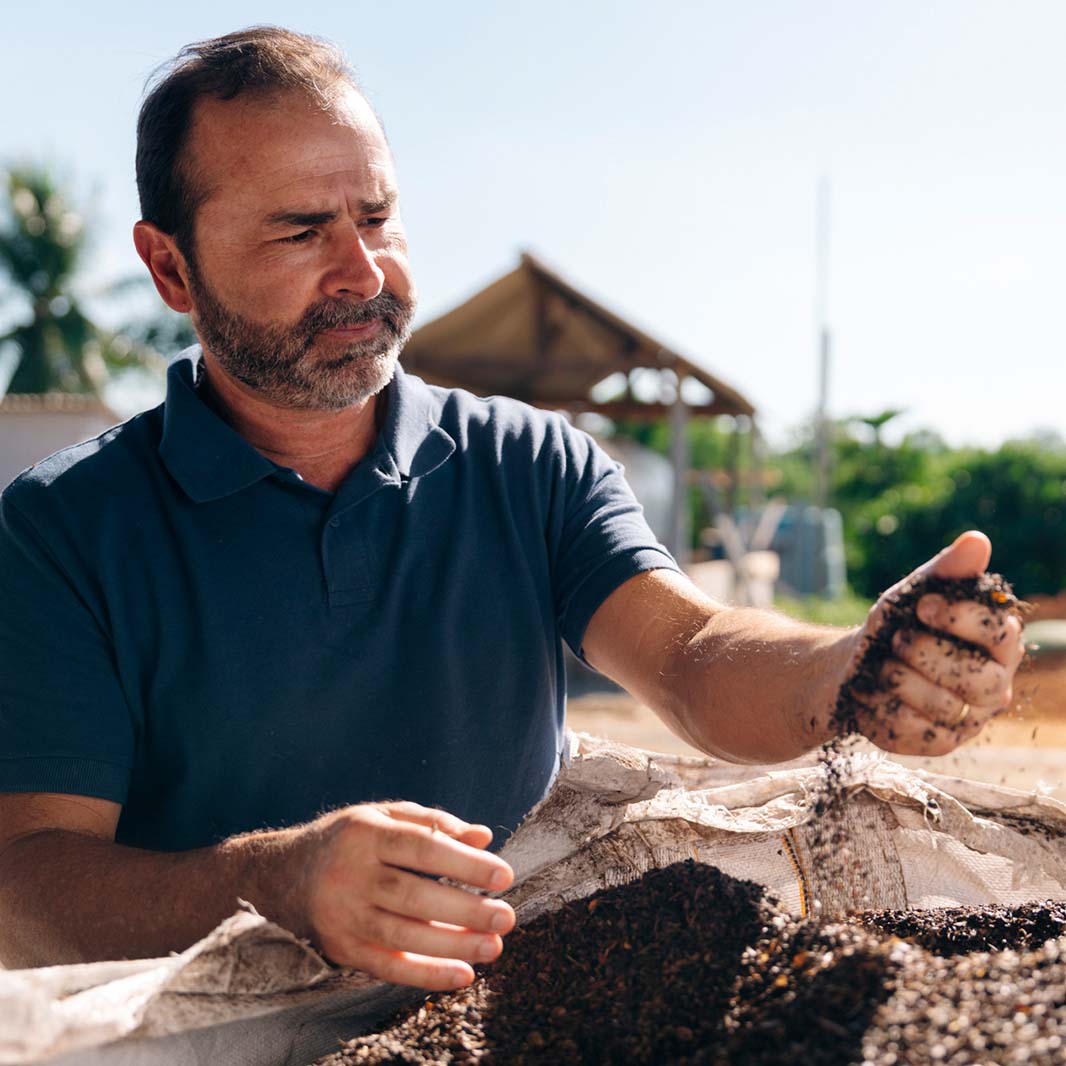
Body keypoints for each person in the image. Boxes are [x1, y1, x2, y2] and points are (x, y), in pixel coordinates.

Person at [0, 27, 1024, 990]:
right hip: (196, 1019)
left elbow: (690, 654)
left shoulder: (525, 462)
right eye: (300, 230)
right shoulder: (60, 529)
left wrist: (844, 669)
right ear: (169, 266)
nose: (362, 272)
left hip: (507, 994)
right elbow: (28, 882)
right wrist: (276, 883)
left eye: (376, 217)